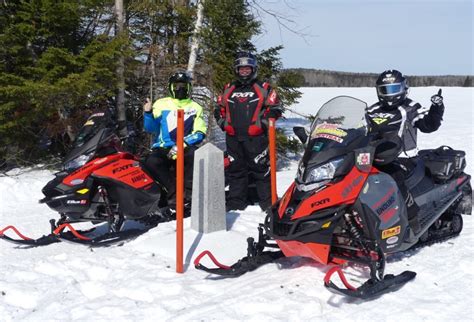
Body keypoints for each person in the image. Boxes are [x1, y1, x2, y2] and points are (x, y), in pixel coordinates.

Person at [366, 69, 445, 232]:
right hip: (373, 157)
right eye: (385, 90)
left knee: (393, 179)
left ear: (403, 88)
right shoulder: (372, 110)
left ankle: (412, 218)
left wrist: (436, 108)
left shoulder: (410, 108)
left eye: (394, 89)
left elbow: (428, 124)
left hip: (403, 158)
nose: (389, 95)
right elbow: (359, 130)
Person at [214, 52, 283, 212]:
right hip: (233, 137)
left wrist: (263, 124)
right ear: (236, 70)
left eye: (247, 69)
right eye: (241, 69)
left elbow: (275, 108)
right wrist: (224, 124)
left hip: (256, 138)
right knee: (236, 170)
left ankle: (268, 203)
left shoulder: (264, 88)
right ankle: (236, 203)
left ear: (253, 69)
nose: (244, 72)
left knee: (261, 170)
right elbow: (219, 109)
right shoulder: (228, 88)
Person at [143, 71, 207, 216]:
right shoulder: (161, 104)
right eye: (177, 86)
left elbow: (200, 132)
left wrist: (182, 144)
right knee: (152, 162)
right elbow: (150, 128)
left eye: (183, 86)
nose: (180, 89)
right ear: (171, 87)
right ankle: (174, 194)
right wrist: (147, 114)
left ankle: (189, 195)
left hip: (184, 146)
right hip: (163, 146)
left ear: (189, 88)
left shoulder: (195, 107)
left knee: (195, 155)